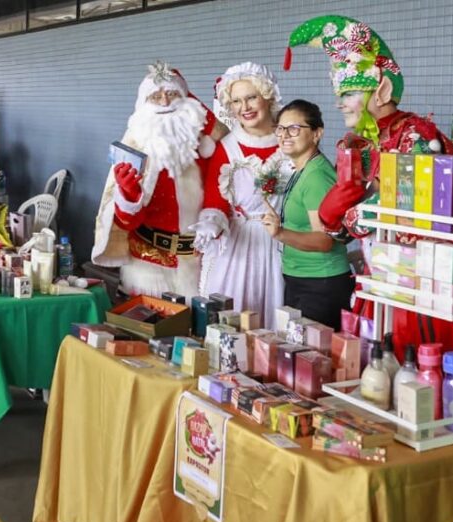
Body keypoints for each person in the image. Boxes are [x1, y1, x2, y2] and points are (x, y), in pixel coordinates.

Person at [285, 14, 453, 435]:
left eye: (349, 92)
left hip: (421, 278)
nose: (341, 102)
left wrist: (350, 212)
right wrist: (345, 214)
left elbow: (412, 223)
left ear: (381, 89)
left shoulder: (416, 135)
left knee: (427, 376)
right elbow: (346, 230)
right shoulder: (357, 144)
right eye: (339, 93)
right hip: (380, 278)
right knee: (380, 370)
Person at [91, 61, 223, 299]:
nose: (164, 102)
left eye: (172, 94)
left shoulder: (206, 146)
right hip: (148, 265)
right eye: (155, 96)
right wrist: (129, 196)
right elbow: (126, 222)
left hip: (200, 263)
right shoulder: (136, 144)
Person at [195, 62, 294, 328]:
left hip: (281, 242)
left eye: (251, 97)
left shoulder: (291, 141)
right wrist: (212, 223)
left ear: (268, 97)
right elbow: (215, 199)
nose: (245, 107)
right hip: (236, 245)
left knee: (275, 321)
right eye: (237, 101)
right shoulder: (225, 147)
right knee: (231, 317)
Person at [260, 100, 353, 330]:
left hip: (320, 285)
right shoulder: (302, 169)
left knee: (315, 359)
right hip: (302, 280)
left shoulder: (317, 177)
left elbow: (323, 240)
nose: (284, 135)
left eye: (294, 129)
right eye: (280, 129)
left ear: (316, 133)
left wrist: (280, 233)